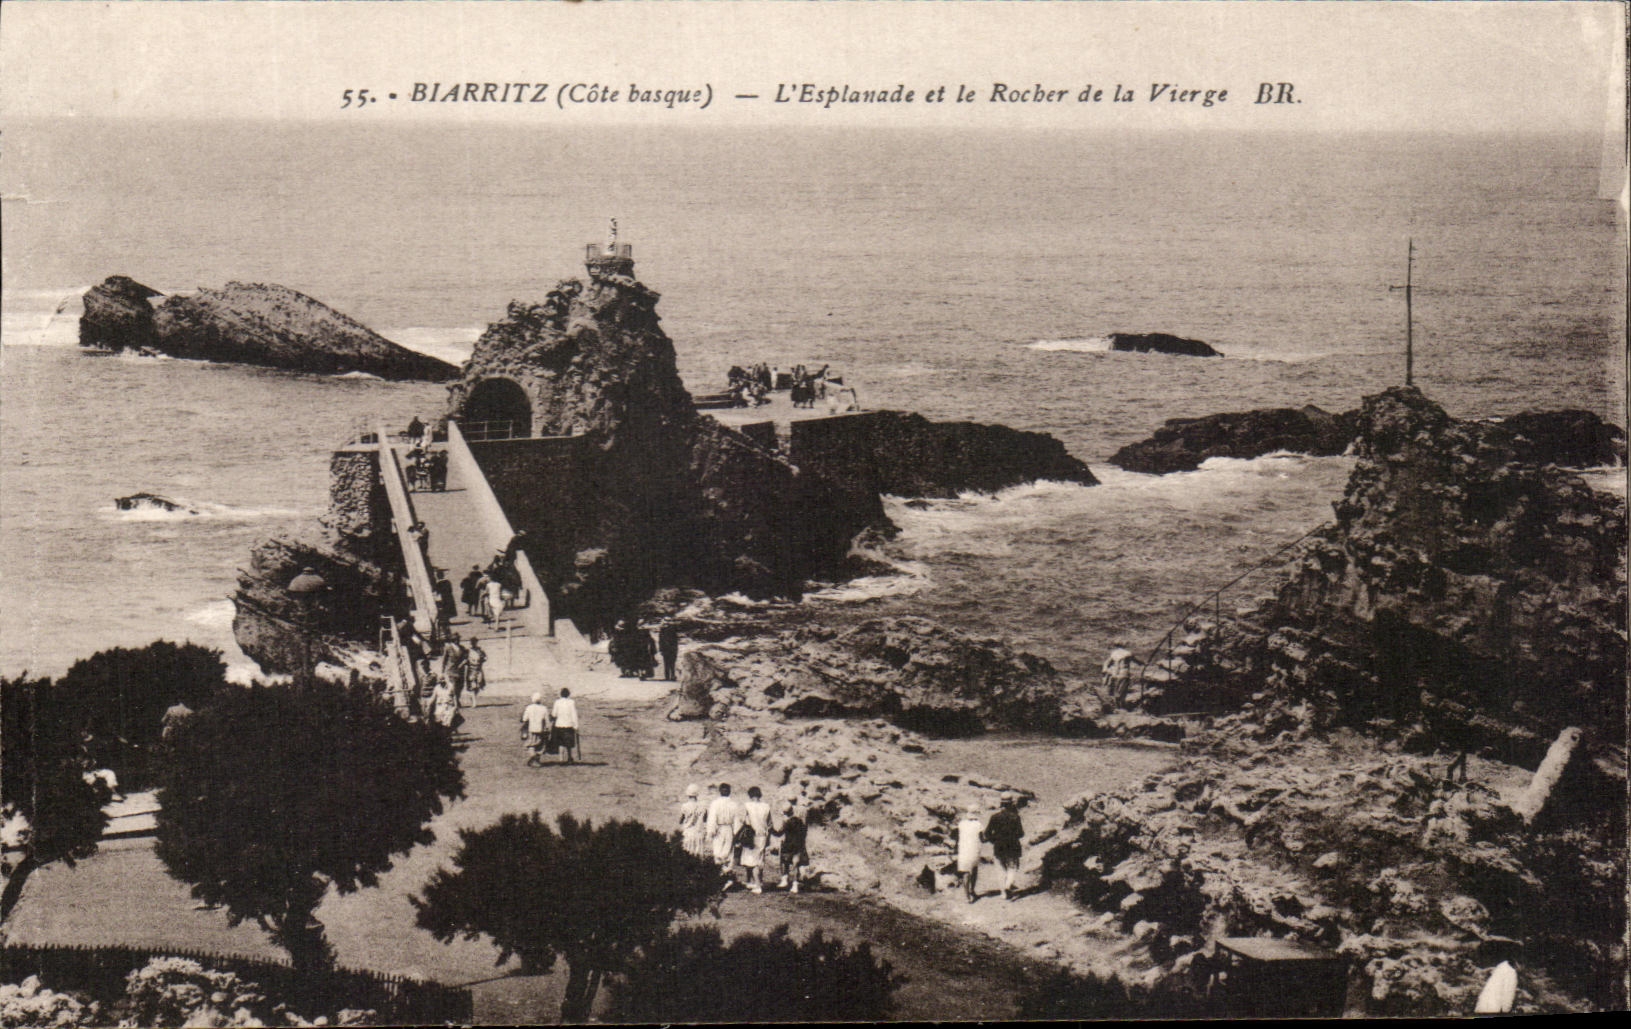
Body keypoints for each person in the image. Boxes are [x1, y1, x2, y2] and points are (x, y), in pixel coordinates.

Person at [983, 794, 1026, 901]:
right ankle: (1008, 886)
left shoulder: (995, 817)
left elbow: (987, 833)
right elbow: (1021, 833)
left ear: (1001, 803)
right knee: (1012, 868)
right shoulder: (1015, 817)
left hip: (998, 846)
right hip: (1013, 846)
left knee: (1000, 869)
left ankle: (1003, 893)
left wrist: (994, 840)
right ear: (1011, 803)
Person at [705, 783, 744, 883]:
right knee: (728, 852)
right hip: (729, 829)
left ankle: (721, 876)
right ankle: (726, 875)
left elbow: (712, 819)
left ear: (720, 791)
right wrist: (736, 834)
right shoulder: (733, 804)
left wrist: (711, 832)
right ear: (729, 792)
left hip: (719, 829)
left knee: (718, 851)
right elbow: (737, 820)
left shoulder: (715, 803)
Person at [739, 786, 772, 894]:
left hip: (750, 836)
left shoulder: (747, 805)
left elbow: (742, 820)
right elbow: (770, 823)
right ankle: (758, 881)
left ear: (750, 795)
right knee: (759, 859)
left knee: (751, 860)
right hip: (762, 835)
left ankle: (757, 885)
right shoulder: (766, 806)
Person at [775, 799, 808, 893]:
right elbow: (803, 832)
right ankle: (795, 884)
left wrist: (770, 829)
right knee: (796, 865)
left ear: (785, 813)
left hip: (788, 845)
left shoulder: (787, 822)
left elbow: (779, 833)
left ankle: (785, 879)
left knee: (784, 862)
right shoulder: (799, 821)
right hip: (798, 845)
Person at [1101, 642, 1143, 709]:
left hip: (1115, 674)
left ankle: (1118, 706)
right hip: (1124, 673)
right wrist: (1143, 663)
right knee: (1123, 690)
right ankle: (1122, 706)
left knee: (1116, 689)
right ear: (1123, 645)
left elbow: (1107, 663)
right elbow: (1137, 661)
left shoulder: (1113, 653)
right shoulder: (1127, 653)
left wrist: (1106, 670)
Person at [956, 806, 984, 904]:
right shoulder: (978, 824)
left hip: (963, 849)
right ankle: (972, 890)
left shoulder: (961, 824)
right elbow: (982, 838)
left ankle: (967, 896)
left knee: (965, 872)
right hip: (974, 849)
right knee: (974, 869)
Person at [520, 691, 551, 767]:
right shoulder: (544, 708)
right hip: (541, 730)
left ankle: (533, 758)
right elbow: (547, 720)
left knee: (530, 745)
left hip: (531, 729)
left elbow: (524, 719)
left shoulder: (529, 708)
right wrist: (548, 728)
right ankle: (536, 760)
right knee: (539, 745)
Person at [550, 687, 579, 763]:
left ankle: (561, 759)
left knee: (560, 743)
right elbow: (574, 714)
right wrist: (576, 726)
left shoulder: (557, 702)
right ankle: (569, 757)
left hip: (559, 725)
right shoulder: (571, 702)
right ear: (568, 694)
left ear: (561, 694)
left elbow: (554, 714)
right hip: (569, 725)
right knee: (569, 743)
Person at [679, 784, 708, 858]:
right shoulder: (703, 806)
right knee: (698, 855)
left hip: (689, 833)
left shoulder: (684, 806)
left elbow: (681, 821)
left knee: (688, 855)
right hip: (698, 833)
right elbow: (705, 819)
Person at [463, 638, 487, 705]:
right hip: (471, 669)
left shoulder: (480, 650)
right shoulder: (468, 651)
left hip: (478, 669)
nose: (473, 644)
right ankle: (474, 701)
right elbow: (464, 659)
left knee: (478, 685)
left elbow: (485, 658)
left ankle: (473, 697)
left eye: (474, 642)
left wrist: (481, 661)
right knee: (472, 685)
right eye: (472, 642)